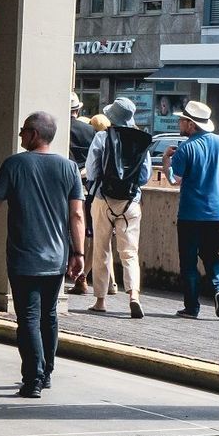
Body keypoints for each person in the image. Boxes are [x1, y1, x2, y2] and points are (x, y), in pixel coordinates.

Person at [0, 112, 86, 399]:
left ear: (34, 134)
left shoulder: (15, 165)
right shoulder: (70, 168)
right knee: (48, 315)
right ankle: (46, 372)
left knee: (29, 318)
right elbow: (76, 214)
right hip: (57, 257)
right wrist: (78, 252)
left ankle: (32, 378)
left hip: (24, 258)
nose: (21, 135)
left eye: (23, 131)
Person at [83, 97, 152, 318]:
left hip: (104, 198)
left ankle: (101, 300)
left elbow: (92, 170)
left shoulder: (102, 137)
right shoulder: (141, 141)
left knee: (101, 249)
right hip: (131, 201)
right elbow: (145, 176)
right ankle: (133, 296)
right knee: (130, 252)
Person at [163, 100, 219, 319]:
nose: (179, 123)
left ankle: (192, 307)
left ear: (191, 125)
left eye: (182, 120)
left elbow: (175, 180)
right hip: (217, 211)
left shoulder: (186, 148)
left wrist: (166, 161)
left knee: (189, 260)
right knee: (211, 255)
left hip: (191, 213)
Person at [69, 92, 93, 169]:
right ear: (78, 110)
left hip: (61, 173)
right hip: (84, 174)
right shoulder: (90, 129)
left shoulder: (57, 128)